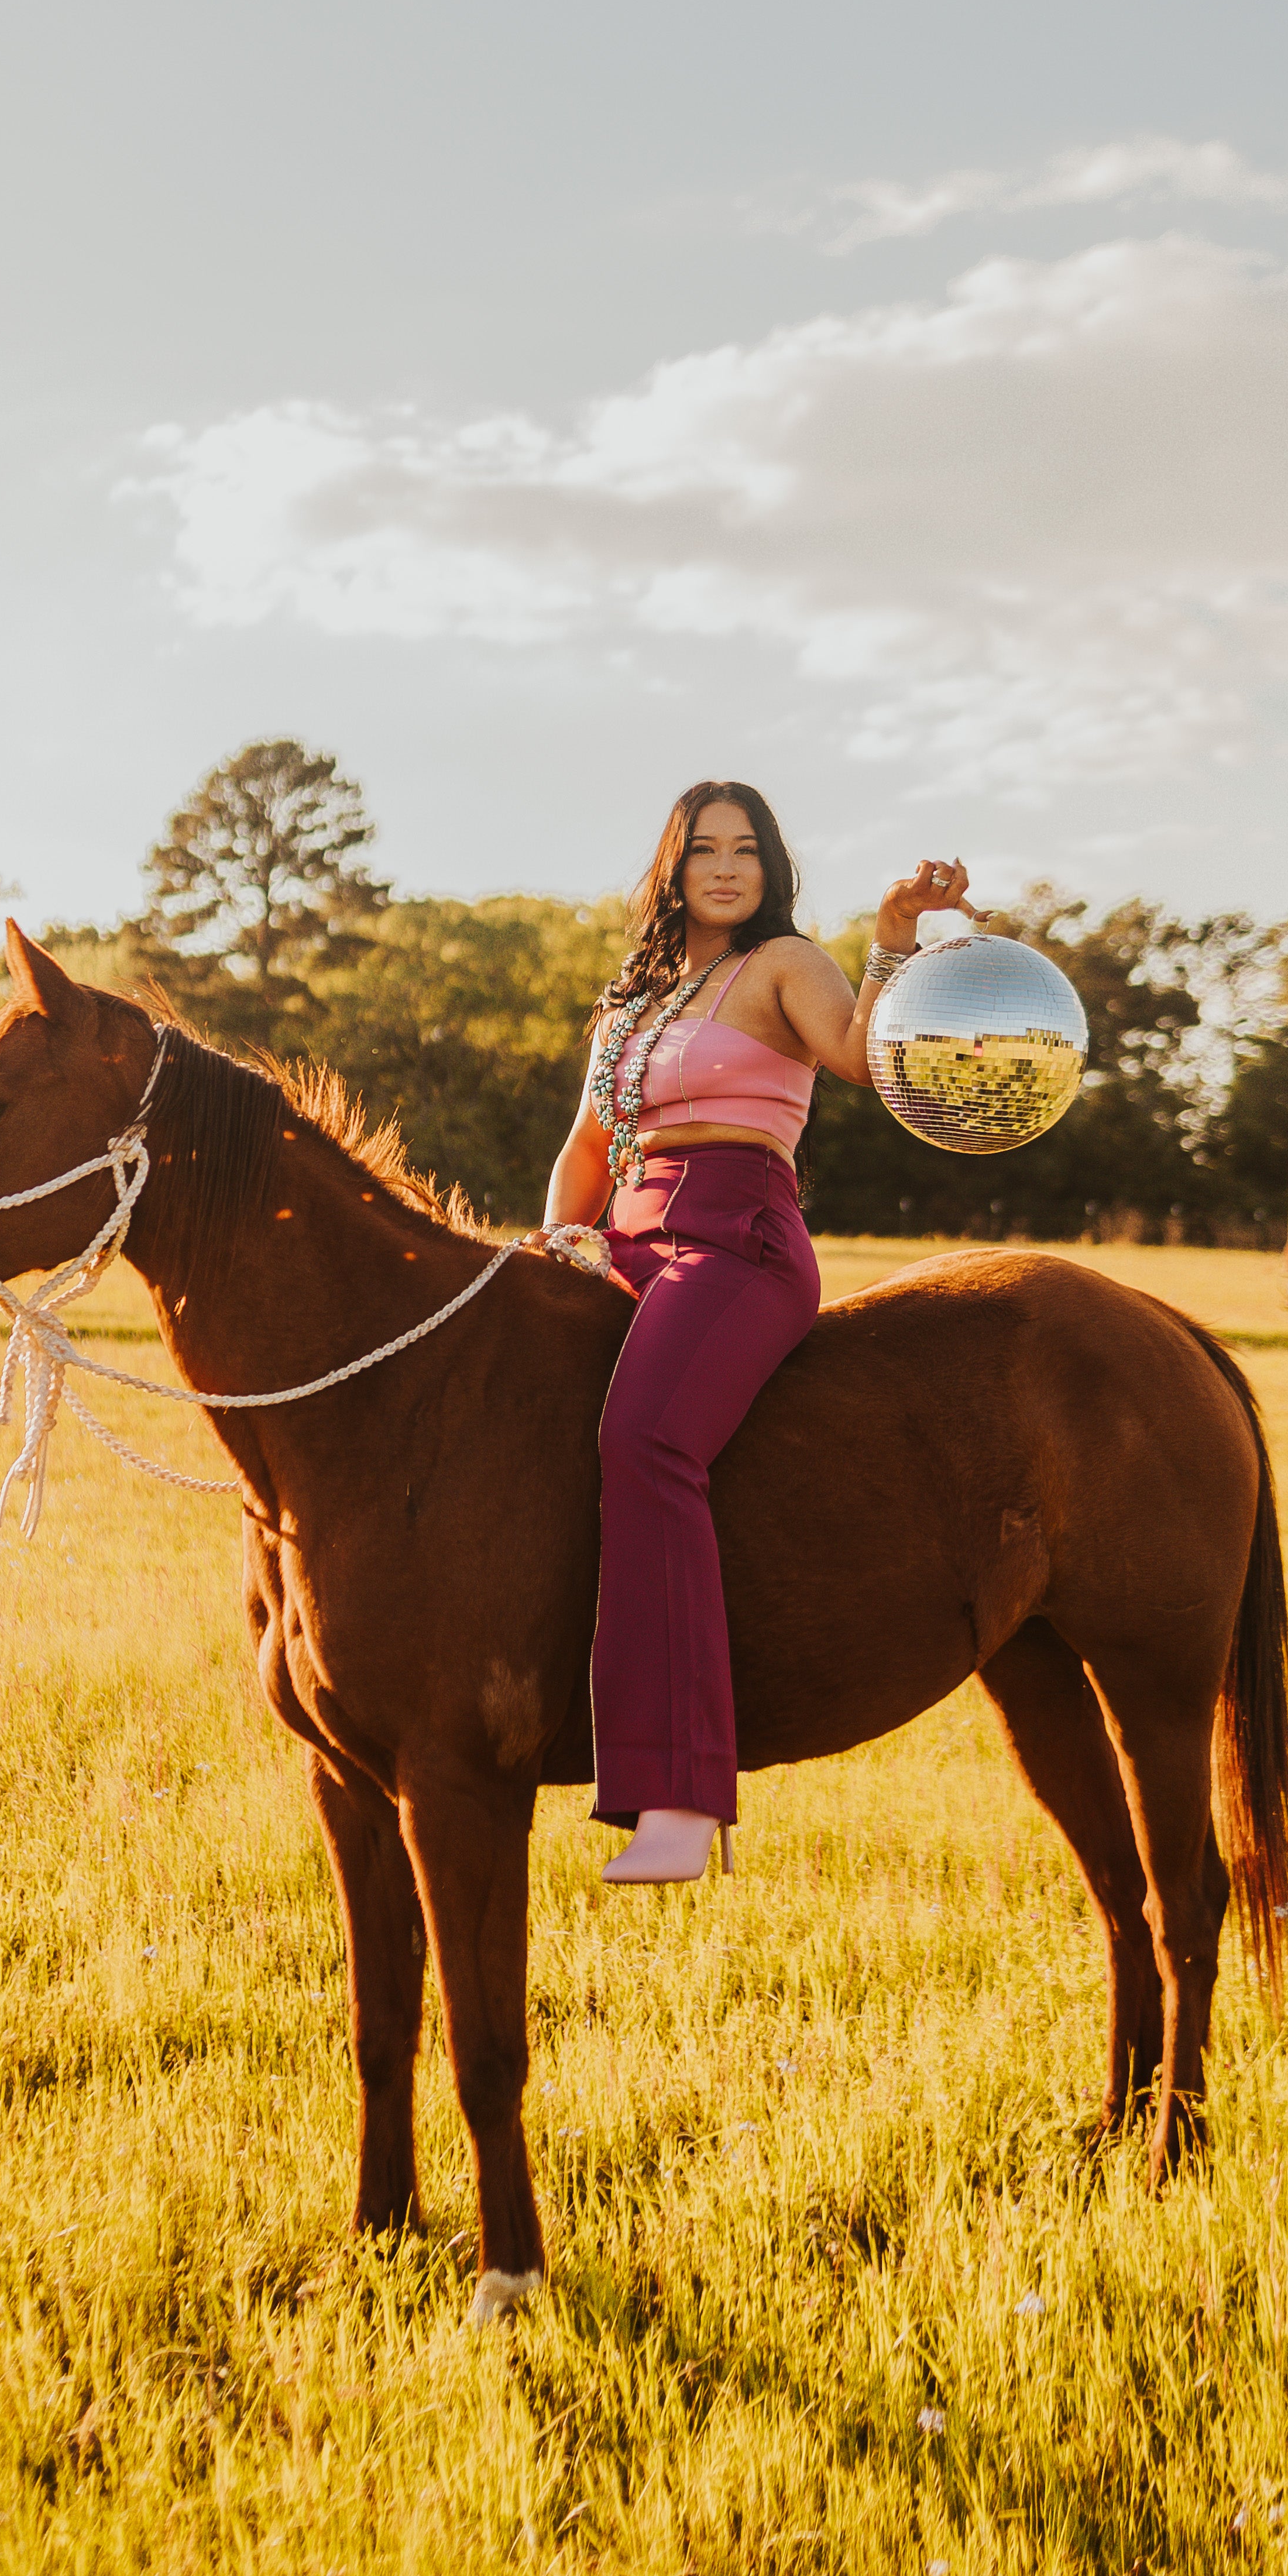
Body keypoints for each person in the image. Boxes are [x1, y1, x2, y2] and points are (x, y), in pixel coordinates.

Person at [535, 781, 973, 1884]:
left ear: (770, 869)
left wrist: (888, 936)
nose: (724, 869)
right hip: (619, 1236)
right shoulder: (627, 999)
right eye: (702, 850)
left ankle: (679, 1804)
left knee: (646, 1443)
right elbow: (588, 1145)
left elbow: (860, 1060)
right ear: (671, 868)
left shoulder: (785, 964)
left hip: (735, 1241)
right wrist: (556, 1239)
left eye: (745, 851)